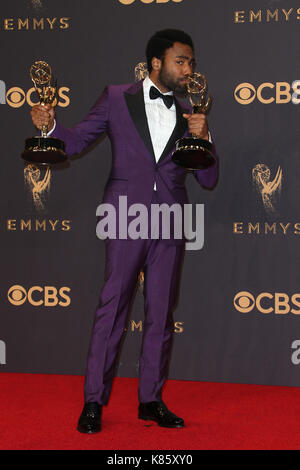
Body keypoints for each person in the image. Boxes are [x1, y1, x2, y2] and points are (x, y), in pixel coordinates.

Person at [30, 29, 218, 433]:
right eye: (180, 61)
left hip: (169, 221)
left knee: (160, 314)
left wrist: (204, 137)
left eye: (191, 63)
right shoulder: (116, 97)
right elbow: (78, 140)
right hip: (124, 217)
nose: (188, 69)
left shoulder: (191, 112)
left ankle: (150, 400)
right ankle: (93, 401)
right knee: (112, 308)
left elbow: (208, 179)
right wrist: (50, 128)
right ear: (156, 63)